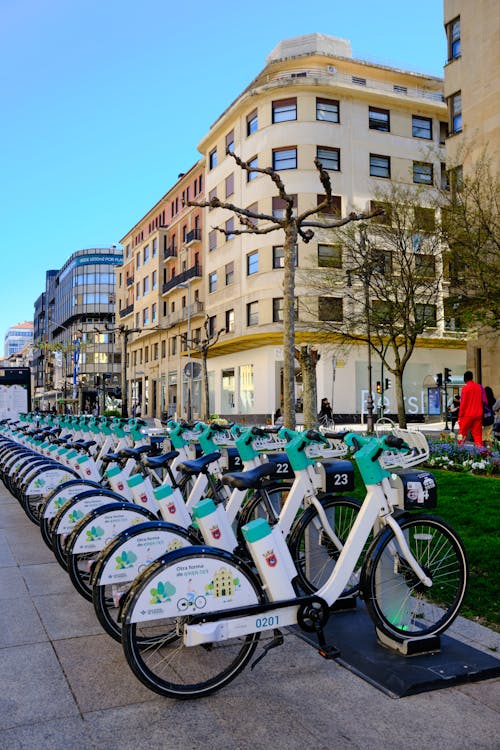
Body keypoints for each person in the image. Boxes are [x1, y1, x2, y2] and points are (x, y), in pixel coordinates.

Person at [458, 371, 484, 447]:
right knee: (477, 434)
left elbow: (463, 403)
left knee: (462, 433)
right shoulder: (479, 387)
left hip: (467, 415)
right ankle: (481, 451)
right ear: (472, 377)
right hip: (478, 414)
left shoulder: (465, 389)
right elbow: (484, 401)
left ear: (465, 378)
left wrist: (460, 415)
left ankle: (459, 449)